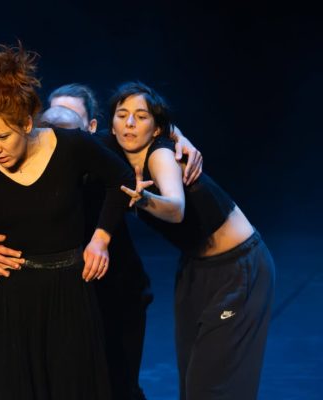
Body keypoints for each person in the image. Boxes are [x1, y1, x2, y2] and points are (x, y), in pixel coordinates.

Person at [0, 44, 137, 400]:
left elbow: (122, 179)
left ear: (27, 123)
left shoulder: (71, 146)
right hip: (9, 296)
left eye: (3, 137)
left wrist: (101, 238)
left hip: (68, 293)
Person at [110, 81, 275, 400]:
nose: (130, 123)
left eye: (141, 116)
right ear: (111, 123)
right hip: (195, 268)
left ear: (156, 128)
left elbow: (176, 208)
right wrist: (178, 133)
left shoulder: (160, 154)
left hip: (238, 267)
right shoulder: (112, 151)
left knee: (210, 386)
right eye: (122, 114)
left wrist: (144, 199)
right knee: (192, 382)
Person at [46, 84, 203, 400]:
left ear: (91, 127)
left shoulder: (107, 148)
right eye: (53, 120)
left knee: (120, 385)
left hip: (120, 292)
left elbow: (149, 125)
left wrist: (178, 136)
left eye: (71, 120)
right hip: (73, 295)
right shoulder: (39, 164)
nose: (61, 129)